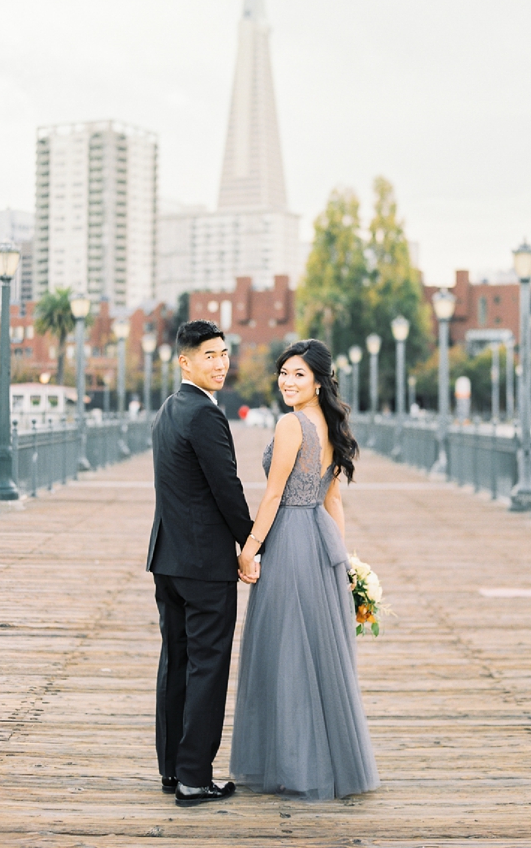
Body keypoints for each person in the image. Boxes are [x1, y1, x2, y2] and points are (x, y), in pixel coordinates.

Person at [230, 339, 379, 800]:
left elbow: (274, 496)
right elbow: (332, 500)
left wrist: (249, 549)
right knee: (317, 651)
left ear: (318, 381)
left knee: (288, 652)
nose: (287, 381)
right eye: (284, 372)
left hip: (292, 538)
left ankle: (295, 764)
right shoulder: (330, 426)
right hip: (319, 540)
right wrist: (345, 561)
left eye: (298, 374)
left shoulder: (292, 424)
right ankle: (323, 762)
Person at [146, 320, 256, 806]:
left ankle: (172, 769)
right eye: (209, 355)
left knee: (176, 662)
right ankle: (193, 778)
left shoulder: (168, 410)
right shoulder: (205, 416)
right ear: (184, 361)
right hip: (204, 565)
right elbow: (226, 488)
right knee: (206, 668)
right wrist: (253, 544)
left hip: (168, 558)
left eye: (224, 353)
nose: (220, 363)